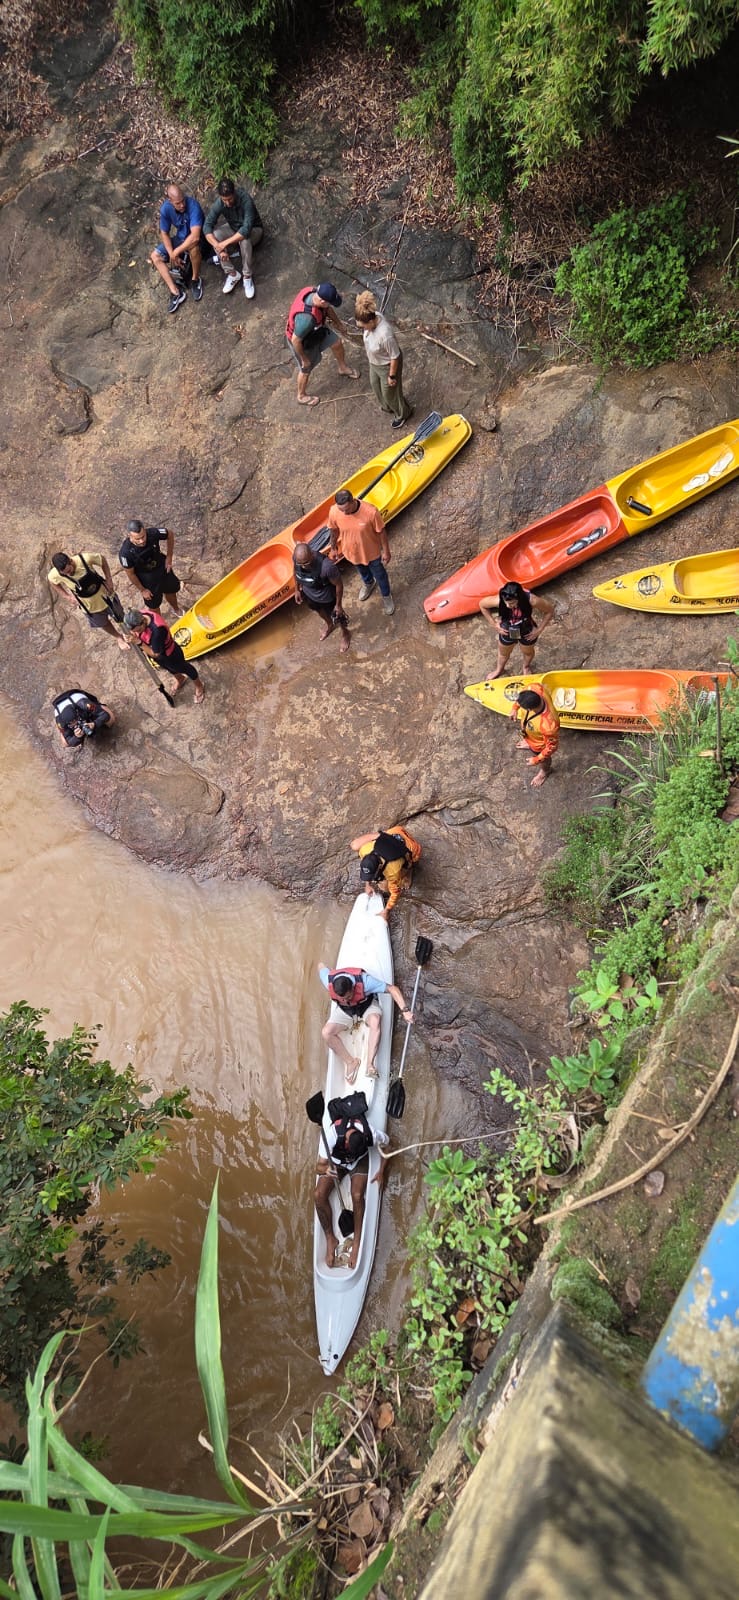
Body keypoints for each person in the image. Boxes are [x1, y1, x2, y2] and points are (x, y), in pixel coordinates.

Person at [315, 1096, 389, 1269]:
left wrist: (382, 1172)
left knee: (357, 1195)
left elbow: (388, 1146)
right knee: (318, 1195)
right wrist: (326, 1170)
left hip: (358, 1161)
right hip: (336, 1163)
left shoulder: (369, 1133)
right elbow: (317, 1167)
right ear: (346, 1141)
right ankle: (330, 1238)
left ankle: (356, 1243)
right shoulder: (333, 1134)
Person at [317, 962, 413, 1084]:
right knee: (326, 1033)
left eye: (348, 996)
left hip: (366, 1006)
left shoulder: (366, 982)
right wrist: (330, 969)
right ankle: (351, 1062)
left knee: (375, 1021)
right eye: (343, 998)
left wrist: (405, 1010)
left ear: (352, 987)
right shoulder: (328, 982)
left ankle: (370, 1065)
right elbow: (320, 965)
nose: (346, 999)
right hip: (346, 1011)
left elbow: (392, 989)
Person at [285, 283, 358, 406]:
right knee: (306, 368)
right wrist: (304, 358)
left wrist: (339, 324)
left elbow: (327, 309)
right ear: (323, 301)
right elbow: (295, 340)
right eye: (330, 302)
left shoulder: (314, 293)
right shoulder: (306, 320)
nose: (330, 305)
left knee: (336, 343)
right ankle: (301, 395)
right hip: (302, 341)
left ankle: (342, 368)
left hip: (316, 330)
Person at [328, 489, 394, 615]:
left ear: (353, 501)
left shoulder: (371, 512)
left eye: (346, 510)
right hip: (351, 552)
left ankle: (386, 596)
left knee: (380, 575)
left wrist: (386, 551)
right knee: (362, 571)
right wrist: (333, 548)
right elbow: (333, 530)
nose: (344, 513)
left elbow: (381, 532)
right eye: (341, 510)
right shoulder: (334, 511)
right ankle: (369, 583)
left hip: (371, 553)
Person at [354, 290, 413, 429]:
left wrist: (392, 376)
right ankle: (388, 407)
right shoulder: (373, 318)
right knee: (376, 386)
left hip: (387, 365)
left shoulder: (385, 335)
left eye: (363, 326)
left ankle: (403, 413)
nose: (362, 329)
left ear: (370, 321)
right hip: (374, 362)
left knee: (391, 393)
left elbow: (395, 356)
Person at [48, 552, 130, 651]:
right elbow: (52, 582)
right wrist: (67, 597)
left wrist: (109, 580)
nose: (69, 574)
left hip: (105, 595)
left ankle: (129, 633)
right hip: (88, 606)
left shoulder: (85, 558)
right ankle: (118, 637)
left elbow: (102, 560)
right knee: (103, 623)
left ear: (70, 561)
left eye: (69, 570)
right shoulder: (55, 574)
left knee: (120, 615)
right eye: (65, 573)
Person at [124, 608, 205, 703]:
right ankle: (180, 679)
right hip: (159, 654)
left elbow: (155, 654)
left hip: (170, 654)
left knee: (185, 668)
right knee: (170, 669)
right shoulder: (139, 614)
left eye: (139, 630)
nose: (138, 633)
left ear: (143, 621)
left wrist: (139, 642)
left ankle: (199, 685)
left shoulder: (157, 631)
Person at [480, 581, 555, 679]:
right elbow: (482, 605)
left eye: (511, 603)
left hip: (526, 629)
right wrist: (494, 624)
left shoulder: (532, 600)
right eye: (506, 602)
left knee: (527, 652)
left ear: (519, 598)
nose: (507, 605)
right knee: (503, 653)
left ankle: (526, 667)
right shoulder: (499, 600)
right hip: (507, 629)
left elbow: (549, 610)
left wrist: (539, 629)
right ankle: (499, 669)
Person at [203, 177, 263, 298]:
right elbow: (207, 226)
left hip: (254, 230)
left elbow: (245, 230)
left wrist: (223, 245)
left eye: (229, 199)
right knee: (216, 235)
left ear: (234, 193)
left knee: (244, 240)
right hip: (233, 228)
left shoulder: (245, 200)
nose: (227, 202)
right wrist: (218, 246)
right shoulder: (220, 203)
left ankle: (247, 276)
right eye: (224, 200)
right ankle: (232, 273)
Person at [149, 183, 204, 314]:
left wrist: (176, 252)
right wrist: (171, 253)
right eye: (178, 203)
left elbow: (195, 236)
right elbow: (164, 233)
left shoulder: (193, 206)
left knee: (194, 248)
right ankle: (175, 291)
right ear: (170, 201)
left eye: (183, 201)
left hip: (194, 239)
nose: (182, 205)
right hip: (180, 239)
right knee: (155, 256)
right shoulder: (166, 209)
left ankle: (195, 279)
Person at [350, 825, 421, 919]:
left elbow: (395, 892)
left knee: (385, 887)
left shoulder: (392, 870)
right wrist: (367, 885)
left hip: (411, 846)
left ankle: (409, 871)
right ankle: (382, 835)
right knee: (354, 845)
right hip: (395, 830)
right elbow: (355, 845)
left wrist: (386, 910)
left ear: (380, 866)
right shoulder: (364, 850)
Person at [293, 541, 351, 653]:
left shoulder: (327, 566)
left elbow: (339, 584)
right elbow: (295, 572)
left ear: (312, 554)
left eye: (307, 562)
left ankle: (345, 633)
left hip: (327, 597)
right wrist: (297, 590)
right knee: (319, 611)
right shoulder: (297, 559)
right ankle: (329, 625)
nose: (304, 566)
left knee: (339, 617)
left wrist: (338, 605)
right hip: (309, 594)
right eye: (301, 564)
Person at [119, 520, 183, 615]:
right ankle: (160, 624)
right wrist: (143, 590)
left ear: (144, 530)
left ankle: (176, 610)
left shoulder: (152, 533)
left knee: (171, 591)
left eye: (143, 536)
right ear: (130, 536)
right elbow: (130, 574)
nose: (142, 541)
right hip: (146, 577)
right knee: (154, 606)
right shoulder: (125, 553)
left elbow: (169, 534)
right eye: (137, 539)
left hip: (161, 566)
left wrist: (169, 556)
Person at [510, 683, 560, 788]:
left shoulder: (549, 726)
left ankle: (545, 771)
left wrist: (537, 759)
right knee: (531, 739)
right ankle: (529, 742)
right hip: (531, 734)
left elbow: (551, 747)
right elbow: (521, 698)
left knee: (544, 760)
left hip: (539, 744)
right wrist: (514, 708)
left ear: (529, 710)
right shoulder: (534, 688)